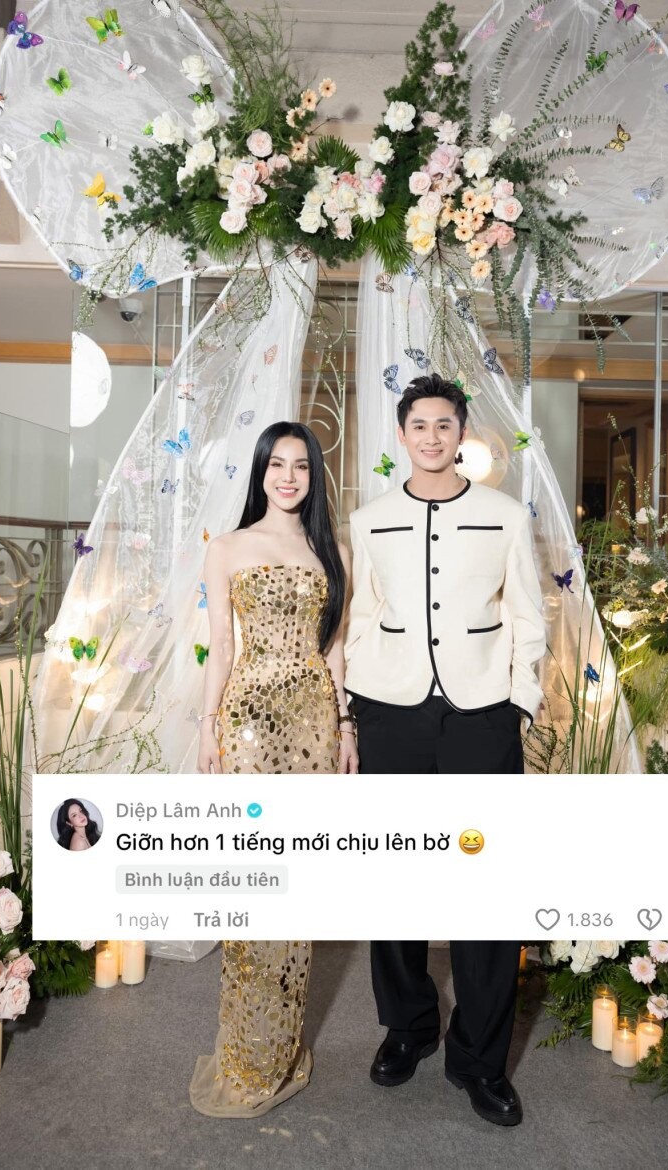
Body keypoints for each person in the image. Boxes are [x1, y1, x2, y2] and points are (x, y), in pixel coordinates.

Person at [344, 373, 546, 1127]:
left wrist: (518, 700)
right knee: (394, 882)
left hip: (481, 715)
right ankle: (408, 1027)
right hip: (389, 711)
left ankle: (480, 1060)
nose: (432, 437)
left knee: (487, 892)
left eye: (445, 425)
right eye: (419, 425)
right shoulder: (369, 520)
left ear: (463, 434)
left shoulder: (504, 516)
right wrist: (353, 708)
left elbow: (528, 615)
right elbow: (361, 616)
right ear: (402, 435)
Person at [190, 421, 358, 1118]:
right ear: (260, 472)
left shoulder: (333, 551)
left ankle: (280, 1046)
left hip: (315, 724)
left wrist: (345, 726)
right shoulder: (227, 547)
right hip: (249, 727)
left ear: (314, 476)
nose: (288, 477)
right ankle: (247, 1052)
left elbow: (335, 650)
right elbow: (221, 645)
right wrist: (209, 727)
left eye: (301, 466)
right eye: (277, 465)